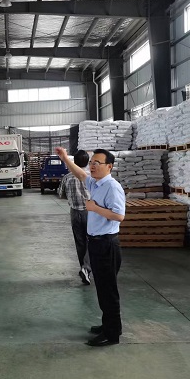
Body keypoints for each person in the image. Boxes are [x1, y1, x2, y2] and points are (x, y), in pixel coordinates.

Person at [56, 147, 125, 347]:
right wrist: (65, 158)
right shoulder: (95, 183)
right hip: (96, 243)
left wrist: (95, 208)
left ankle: (112, 334)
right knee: (102, 289)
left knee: (108, 291)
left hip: (107, 245)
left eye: (97, 163)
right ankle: (109, 325)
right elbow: (80, 174)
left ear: (109, 166)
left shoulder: (112, 187)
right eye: (92, 162)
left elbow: (119, 215)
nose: (92, 165)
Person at [62, 150, 92, 285]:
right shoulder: (91, 177)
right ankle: (86, 268)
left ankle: (84, 269)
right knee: (92, 240)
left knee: (80, 242)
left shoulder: (67, 177)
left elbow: (61, 194)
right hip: (90, 212)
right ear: (87, 162)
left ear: (74, 161)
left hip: (74, 213)